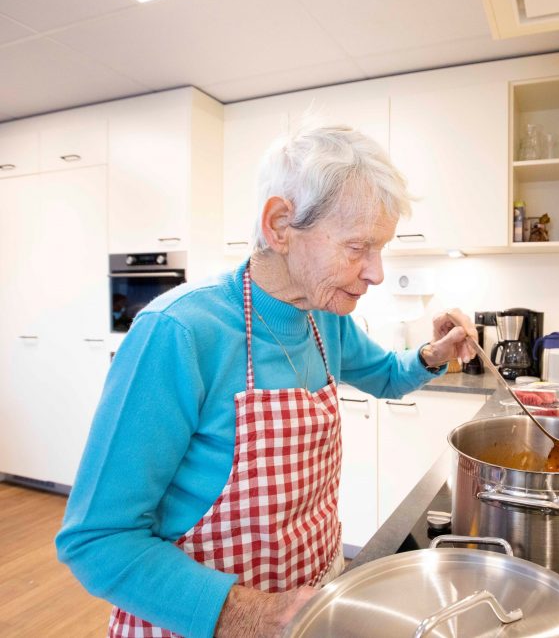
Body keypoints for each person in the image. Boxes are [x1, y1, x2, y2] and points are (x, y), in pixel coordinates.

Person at [56, 124, 477, 638]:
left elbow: (388, 376)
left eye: (381, 249)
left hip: (309, 608)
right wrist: (248, 613)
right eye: (358, 247)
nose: (377, 273)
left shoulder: (326, 317)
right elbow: (98, 539)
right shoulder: (180, 332)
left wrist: (434, 354)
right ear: (280, 225)